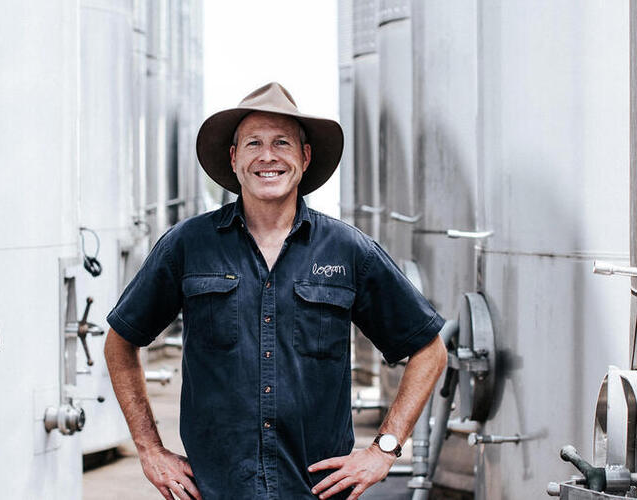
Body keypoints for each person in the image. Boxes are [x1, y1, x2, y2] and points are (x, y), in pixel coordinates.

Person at [104, 82, 447, 500]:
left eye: (282, 142)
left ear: (305, 157)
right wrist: (149, 449)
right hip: (216, 491)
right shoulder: (188, 245)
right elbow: (121, 341)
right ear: (234, 158)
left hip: (317, 492)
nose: (268, 156)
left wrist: (384, 449)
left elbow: (429, 350)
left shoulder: (348, 250)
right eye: (254, 143)